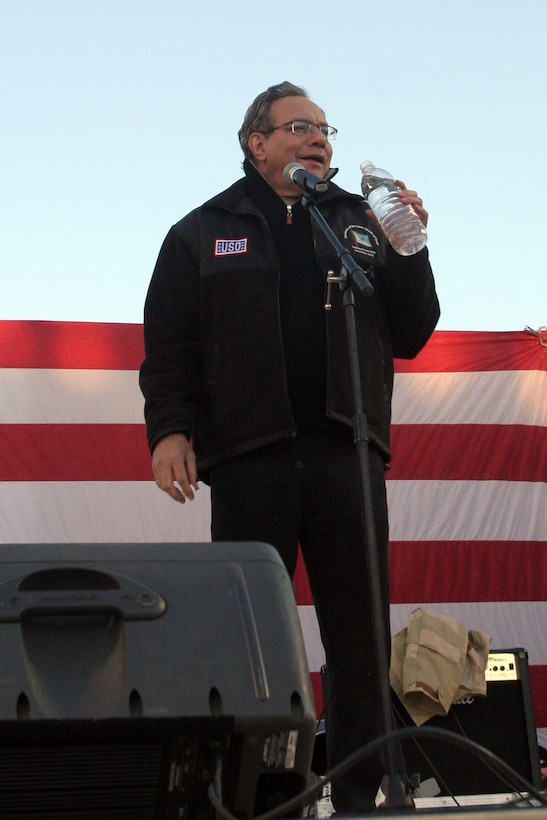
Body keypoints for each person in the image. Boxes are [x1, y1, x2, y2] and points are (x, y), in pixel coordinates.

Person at [140, 81, 440, 813]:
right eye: (300, 127)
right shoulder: (203, 230)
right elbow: (170, 345)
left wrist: (410, 248)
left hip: (347, 449)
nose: (320, 141)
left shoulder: (357, 220)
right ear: (258, 142)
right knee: (247, 638)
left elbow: (412, 330)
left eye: (325, 130)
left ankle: (363, 790)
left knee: (359, 636)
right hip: (251, 456)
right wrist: (170, 429)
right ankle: (253, 796)